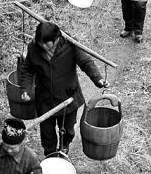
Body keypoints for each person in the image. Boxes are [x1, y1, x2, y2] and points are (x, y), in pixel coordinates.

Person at [19, 21, 108, 158]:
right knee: (47, 132)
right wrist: (25, 89)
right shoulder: (33, 48)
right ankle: (50, 154)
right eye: (40, 43)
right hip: (45, 98)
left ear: (56, 40)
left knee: (67, 130)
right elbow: (27, 70)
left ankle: (64, 147)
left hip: (68, 96)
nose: (42, 46)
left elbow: (86, 62)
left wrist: (98, 79)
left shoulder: (70, 44)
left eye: (46, 43)